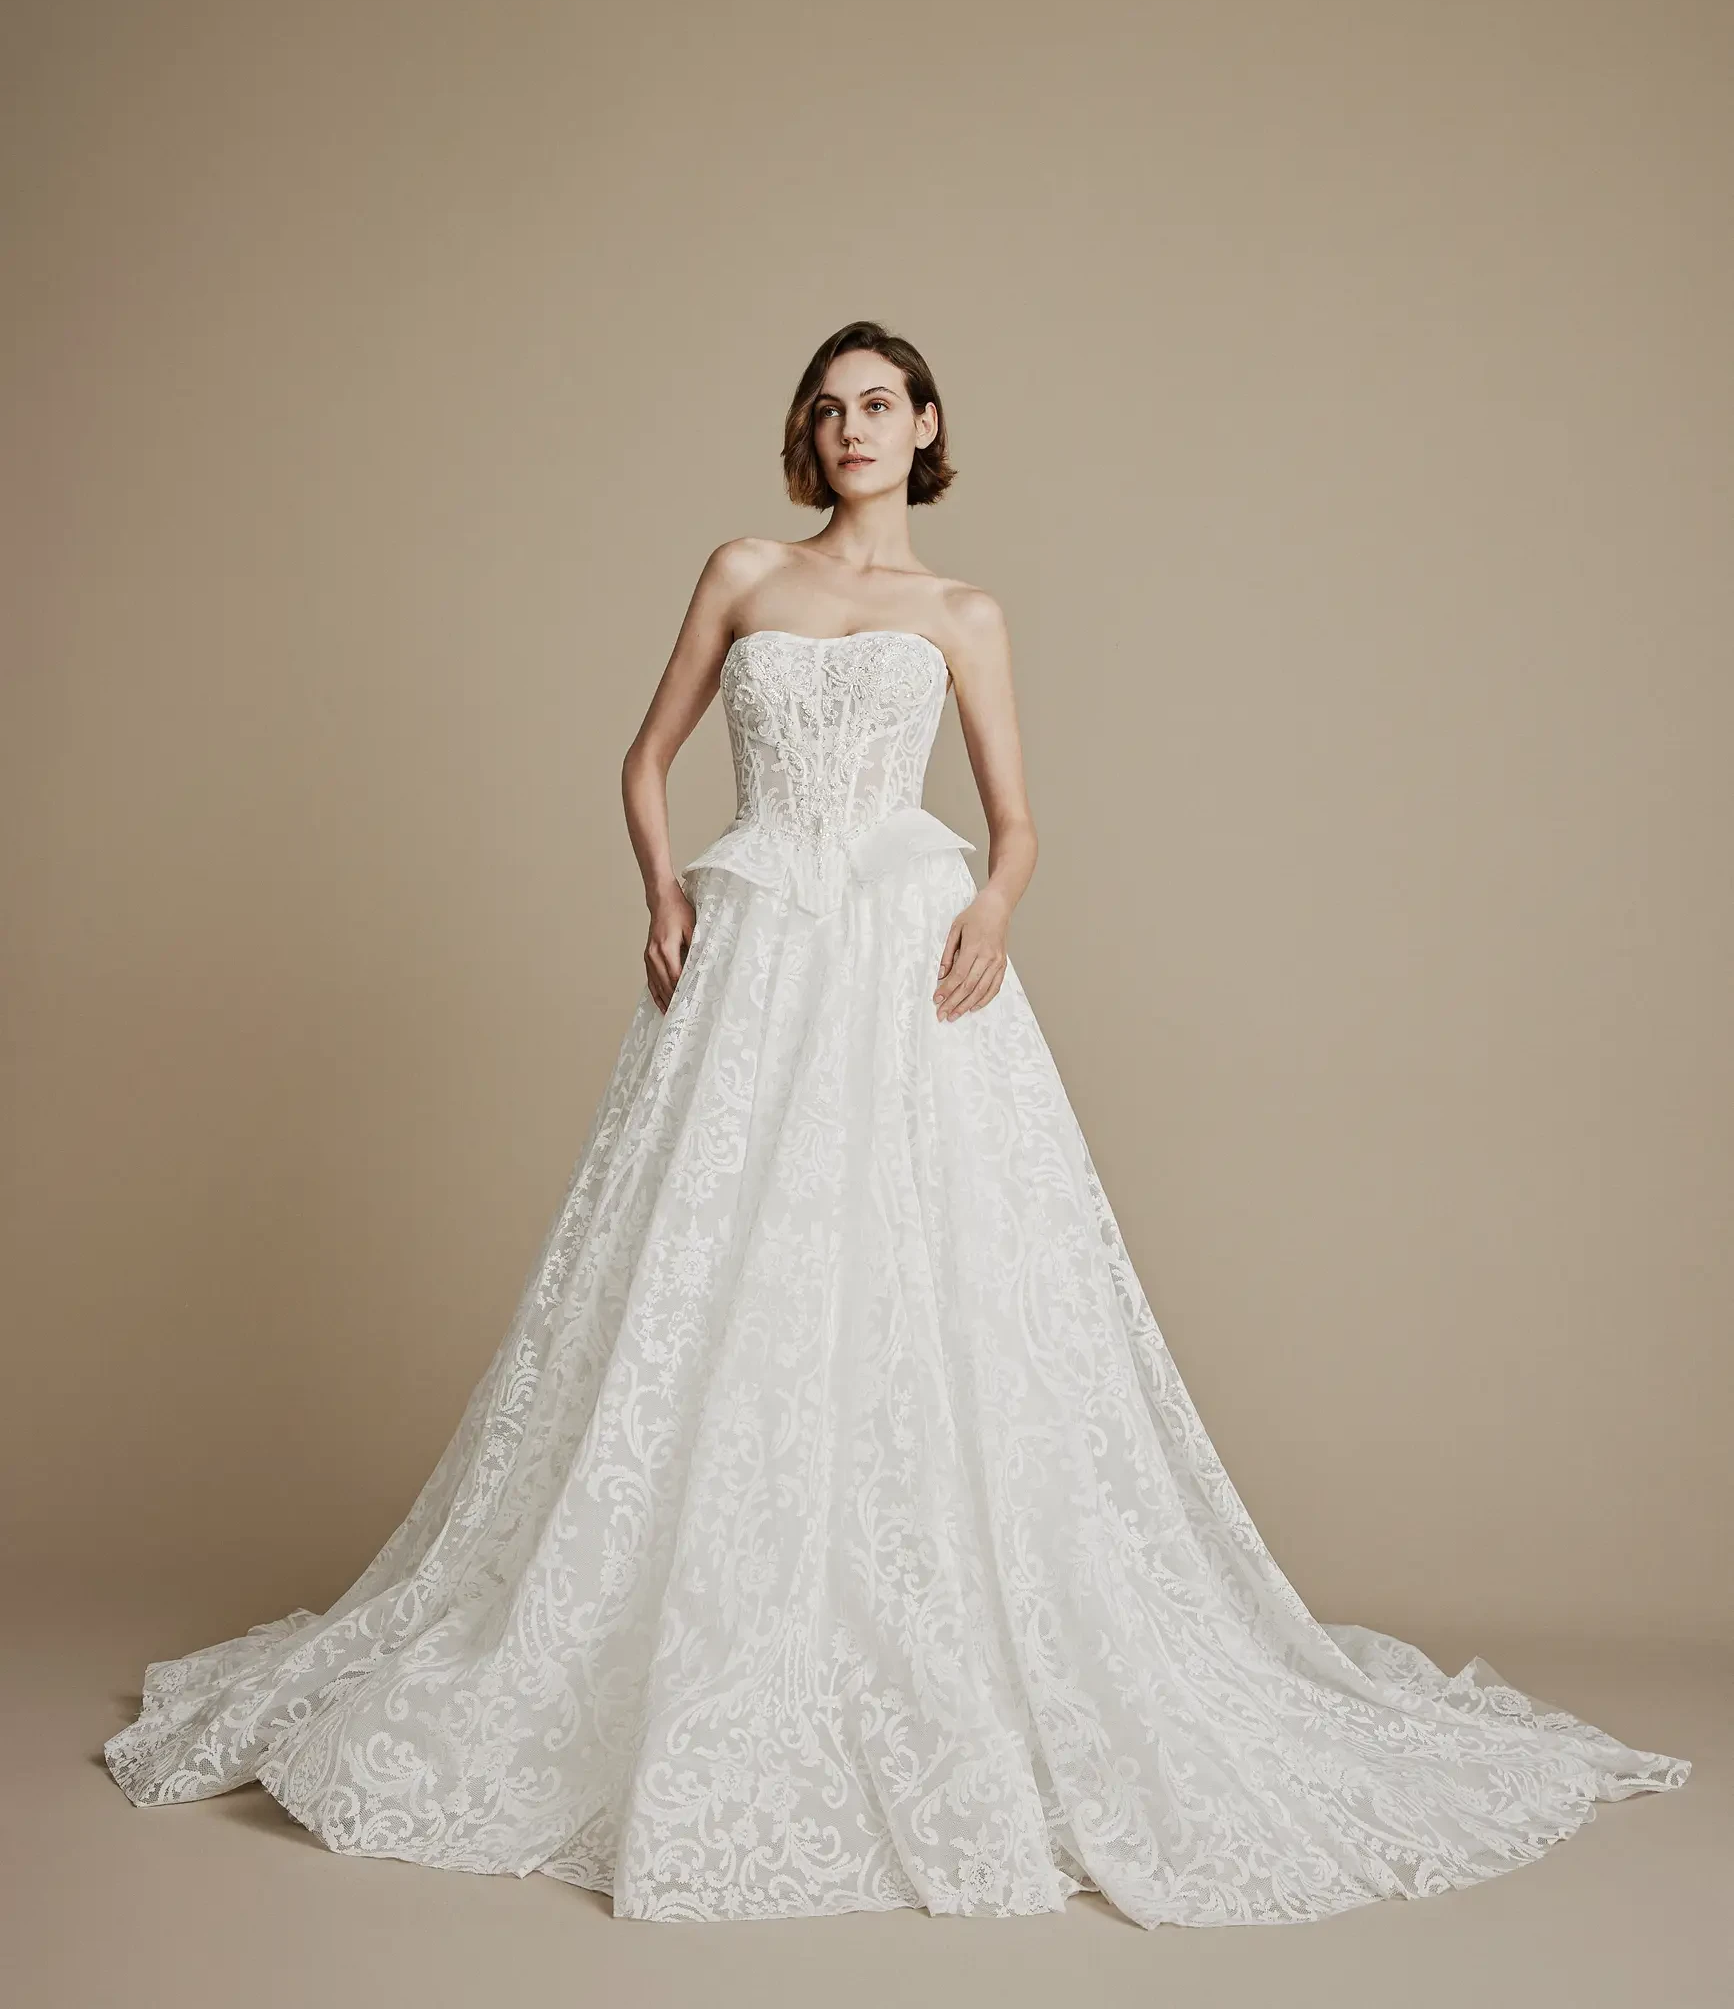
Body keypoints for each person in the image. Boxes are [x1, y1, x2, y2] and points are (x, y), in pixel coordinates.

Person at [104, 318, 1690, 1926]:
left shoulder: (965, 614)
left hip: (905, 954)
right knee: (708, 1291)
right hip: (758, 951)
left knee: (943, 1286)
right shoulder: (740, 571)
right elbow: (645, 758)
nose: (851, 425)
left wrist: (994, 907)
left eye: (878, 403)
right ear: (808, 439)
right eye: (826, 408)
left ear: (926, 425)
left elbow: (1015, 822)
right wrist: (659, 895)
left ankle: (911, 1632)